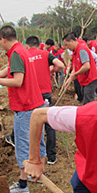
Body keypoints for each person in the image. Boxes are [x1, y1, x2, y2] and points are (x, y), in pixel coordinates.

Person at [0, 25, 46, 193]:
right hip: (36, 103)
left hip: (25, 106)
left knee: (23, 144)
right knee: (37, 140)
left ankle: (23, 184)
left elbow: (17, 80)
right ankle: (39, 175)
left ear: (3, 40)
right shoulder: (22, 49)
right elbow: (8, 71)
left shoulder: (15, 53)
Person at [26, 36, 65, 165]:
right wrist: (52, 70)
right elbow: (60, 65)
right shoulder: (45, 54)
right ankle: (51, 156)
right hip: (45, 92)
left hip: (32, 93)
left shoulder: (25, 55)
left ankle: (34, 155)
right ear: (38, 44)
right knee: (48, 122)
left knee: (32, 123)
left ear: (27, 45)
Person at [63, 33, 97, 105]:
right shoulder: (75, 52)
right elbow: (75, 68)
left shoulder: (82, 50)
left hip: (90, 79)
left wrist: (75, 74)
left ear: (71, 41)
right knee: (85, 99)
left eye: (67, 45)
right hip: (84, 80)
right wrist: (69, 79)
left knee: (88, 102)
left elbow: (86, 66)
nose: (67, 47)